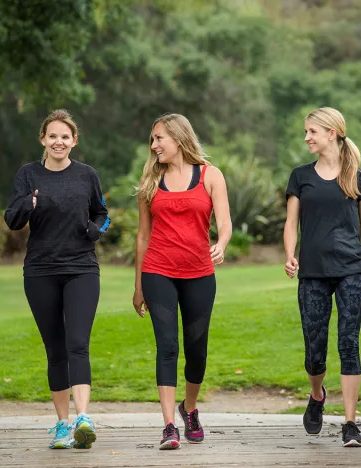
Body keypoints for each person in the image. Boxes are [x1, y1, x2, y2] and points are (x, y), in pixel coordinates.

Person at [4, 109, 110, 449]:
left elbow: (102, 213)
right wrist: (28, 204)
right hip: (40, 271)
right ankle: (62, 425)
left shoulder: (87, 175)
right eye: (53, 136)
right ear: (43, 140)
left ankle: (83, 418)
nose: (59, 141)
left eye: (65, 136)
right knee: (55, 349)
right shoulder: (28, 175)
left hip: (81, 268)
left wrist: (95, 230)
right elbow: (12, 219)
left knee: (78, 343)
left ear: (74, 141)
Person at [283, 107, 361, 447]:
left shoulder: (359, 179)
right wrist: (289, 255)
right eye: (306, 131)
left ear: (331, 133)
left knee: (349, 343)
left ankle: (350, 423)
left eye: (312, 131)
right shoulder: (300, 176)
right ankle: (317, 395)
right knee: (315, 350)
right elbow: (291, 223)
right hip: (312, 273)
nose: (307, 137)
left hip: (351, 272)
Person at [132, 113, 232, 450]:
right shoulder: (150, 180)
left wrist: (221, 243)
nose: (154, 145)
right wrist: (138, 286)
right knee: (167, 346)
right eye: (153, 139)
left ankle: (189, 409)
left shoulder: (210, 175)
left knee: (196, 351)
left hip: (200, 274)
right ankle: (169, 426)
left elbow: (225, 221)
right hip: (158, 271)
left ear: (178, 138)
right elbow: (143, 236)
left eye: (159, 138)